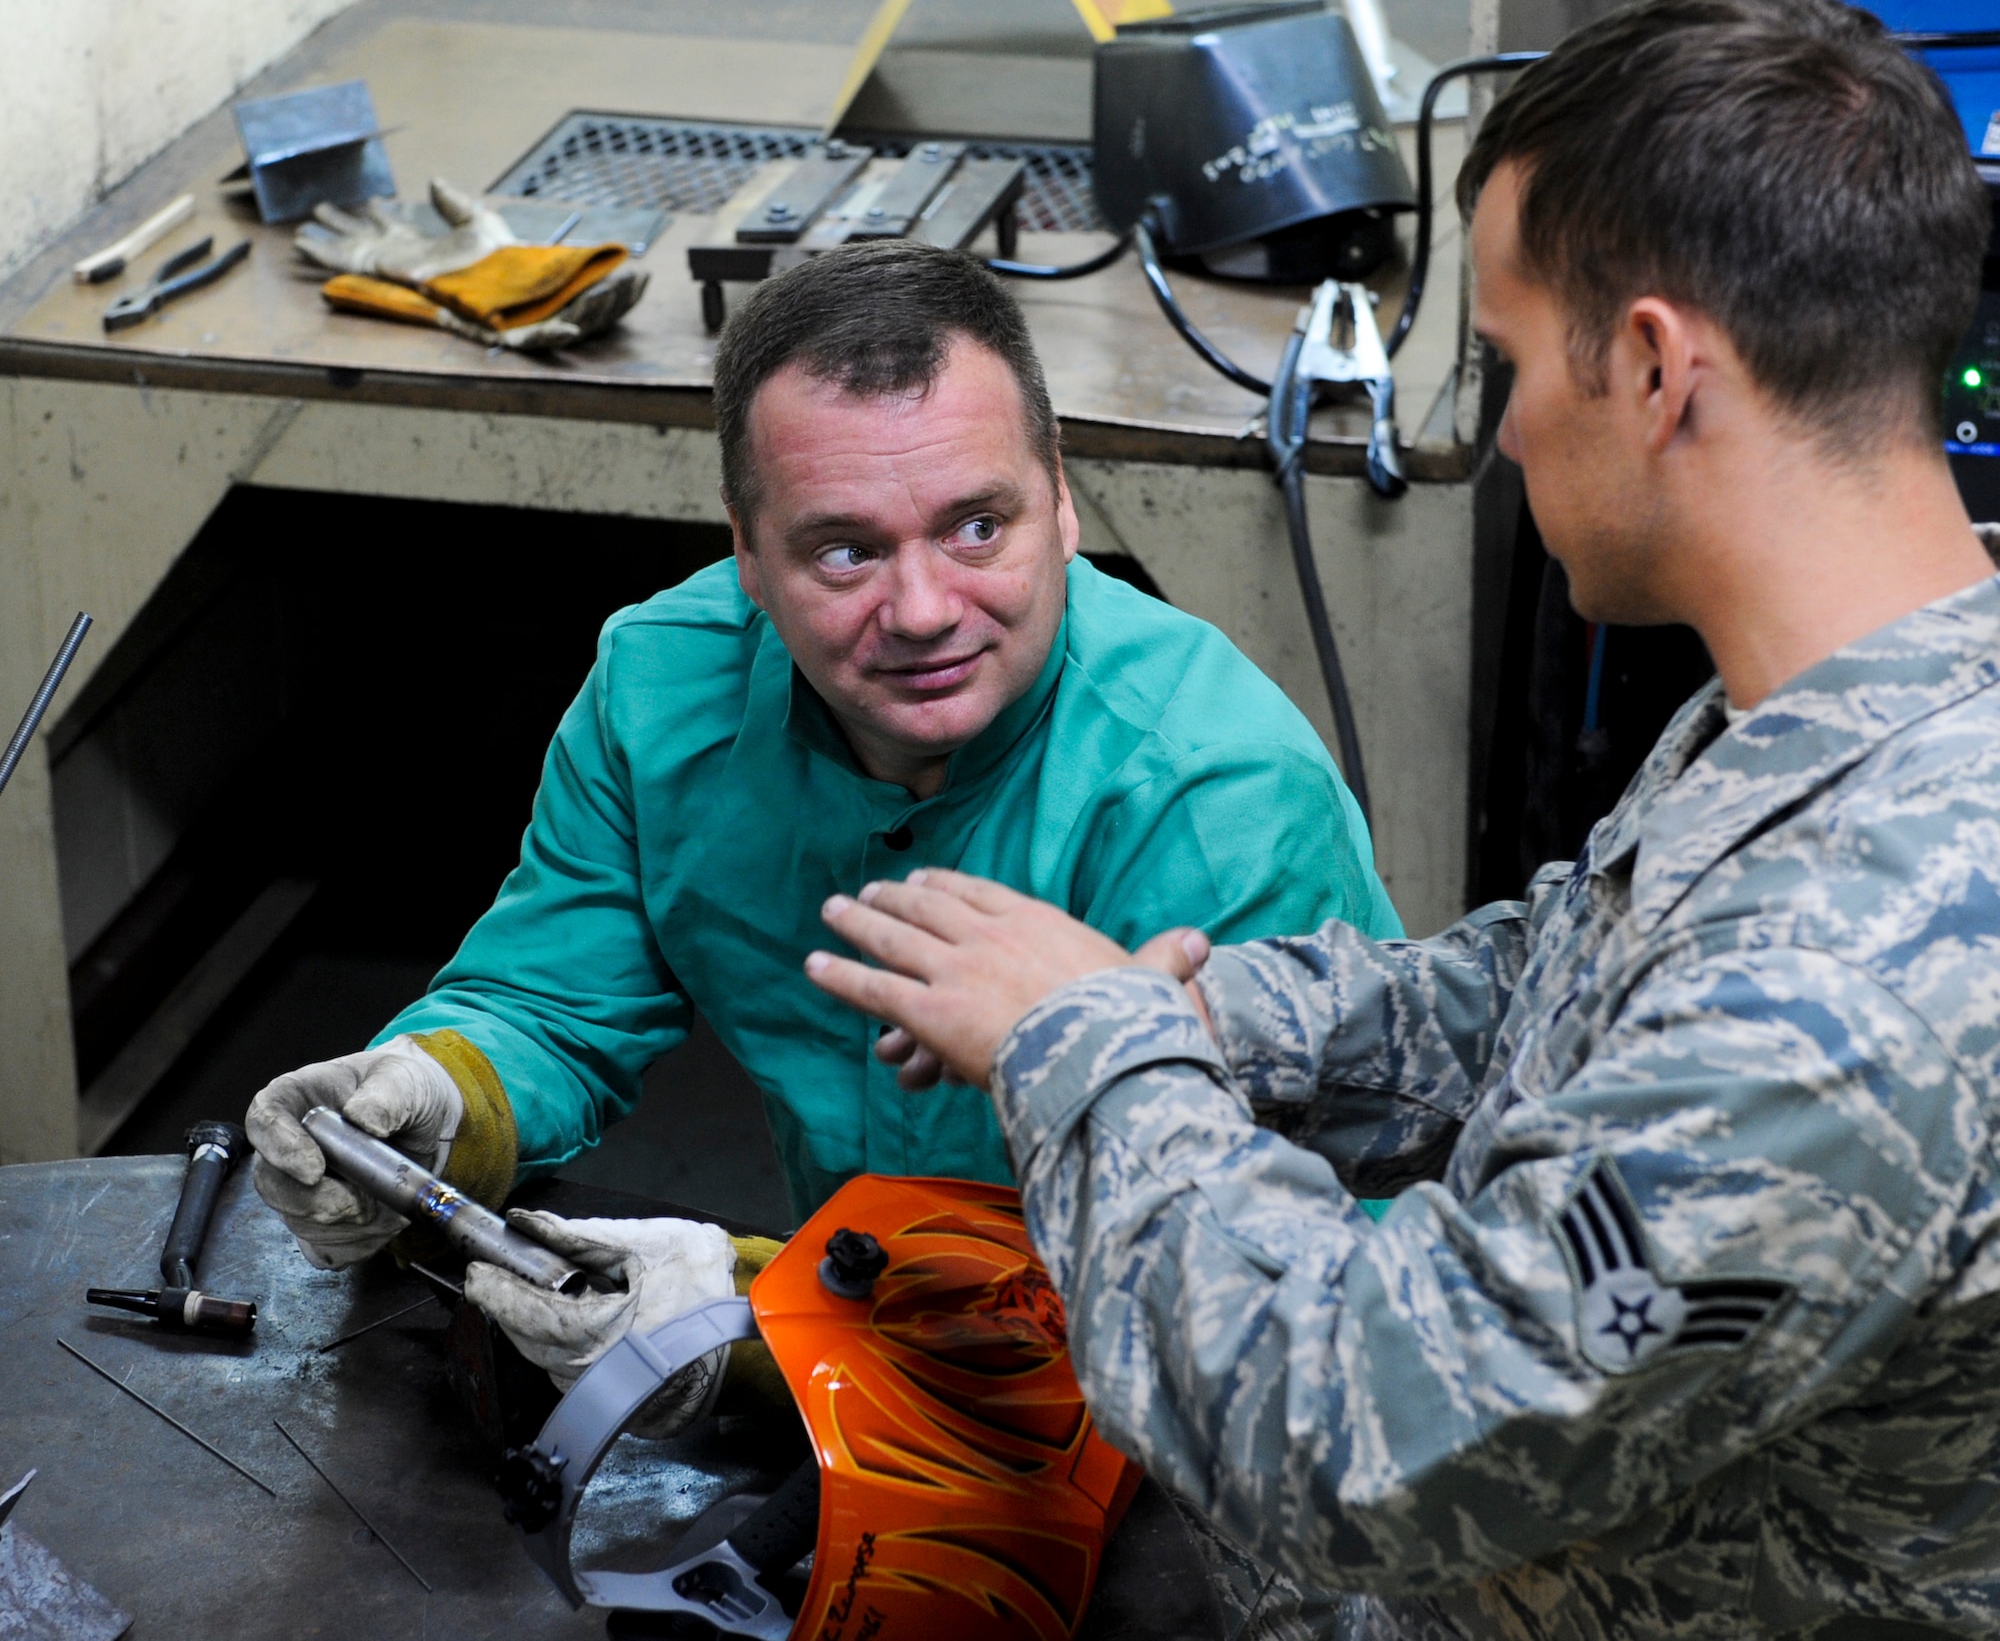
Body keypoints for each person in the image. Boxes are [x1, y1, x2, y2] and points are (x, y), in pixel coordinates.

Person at [803, 0, 2000, 1639]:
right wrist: (1202, 1013)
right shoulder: (1850, 704)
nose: (1506, 429)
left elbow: (1349, 1435)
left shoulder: (1851, 974)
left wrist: (1085, 1050)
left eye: (1509, 360)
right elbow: (1553, 985)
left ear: (1655, 369)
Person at [244, 239, 1395, 1366]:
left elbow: (1255, 1288)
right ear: (746, 553)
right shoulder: (660, 692)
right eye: (844, 552)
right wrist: (439, 1099)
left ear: (1062, 499)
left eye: (976, 526)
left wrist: (748, 1319)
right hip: (866, 1338)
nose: (923, 609)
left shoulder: (1214, 795)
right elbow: (551, 1004)